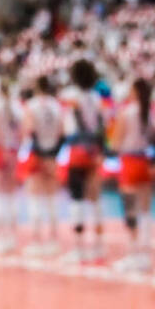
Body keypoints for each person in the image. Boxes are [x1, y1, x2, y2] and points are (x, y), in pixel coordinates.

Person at [60, 59, 105, 261]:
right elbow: (101, 124)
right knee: (95, 198)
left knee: (77, 198)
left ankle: (78, 248)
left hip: (78, 150)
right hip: (94, 149)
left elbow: (68, 122)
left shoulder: (71, 95)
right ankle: (98, 246)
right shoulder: (96, 97)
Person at [109, 78, 155, 272]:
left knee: (130, 210)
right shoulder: (149, 112)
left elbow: (115, 142)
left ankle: (133, 254)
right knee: (145, 210)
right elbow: (154, 136)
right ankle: (145, 255)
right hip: (144, 161)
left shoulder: (126, 112)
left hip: (129, 162)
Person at [22, 75, 64, 255]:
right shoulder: (56, 105)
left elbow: (30, 131)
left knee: (34, 196)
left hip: (37, 154)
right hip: (53, 153)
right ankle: (53, 239)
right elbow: (62, 132)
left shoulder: (31, 105)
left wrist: (41, 155)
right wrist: (52, 155)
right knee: (52, 197)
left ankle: (37, 240)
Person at [0, 78, 24, 253]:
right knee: (11, 194)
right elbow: (21, 132)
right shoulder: (17, 107)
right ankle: (11, 237)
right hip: (14, 151)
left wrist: (0, 150)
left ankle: (2, 237)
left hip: (0, 151)